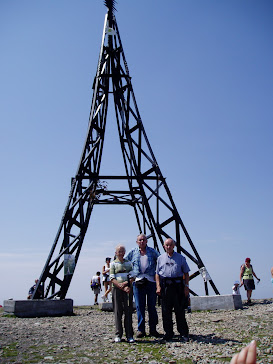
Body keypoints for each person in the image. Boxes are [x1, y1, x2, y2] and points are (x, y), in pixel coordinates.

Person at [125, 233, 160, 338]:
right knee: (140, 307)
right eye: (140, 240)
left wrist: (158, 275)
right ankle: (141, 330)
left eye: (143, 240)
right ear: (137, 242)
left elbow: (161, 261)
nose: (142, 241)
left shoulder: (153, 252)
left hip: (150, 281)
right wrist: (129, 275)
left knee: (151, 306)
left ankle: (153, 329)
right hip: (138, 281)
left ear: (146, 241)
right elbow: (125, 262)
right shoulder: (133, 252)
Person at [156, 238, 190, 342]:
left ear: (174, 246)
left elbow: (186, 273)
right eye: (166, 245)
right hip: (165, 286)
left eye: (170, 245)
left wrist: (186, 286)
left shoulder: (180, 258)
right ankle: (168, 333)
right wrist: (158, 286)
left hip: (178, 286)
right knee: (166, 311)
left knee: (179, 310)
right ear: (164, 246)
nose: (168, 247)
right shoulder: (160, 258)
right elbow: (157, 273)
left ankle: (183, 333)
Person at [110, 244, 135, 343]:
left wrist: (125, 284)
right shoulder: (113, 264)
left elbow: (132, 276)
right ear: (116, 253)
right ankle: (118, 334)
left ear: (125, 253)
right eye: (119, 251)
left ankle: (129, 335)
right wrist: (120, 285)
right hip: (117, 289)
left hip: (127, 288)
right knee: (118, 312)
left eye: (122, 251)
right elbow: (112, 278)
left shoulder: (129, 263)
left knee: (128, 312)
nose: (121, 253)